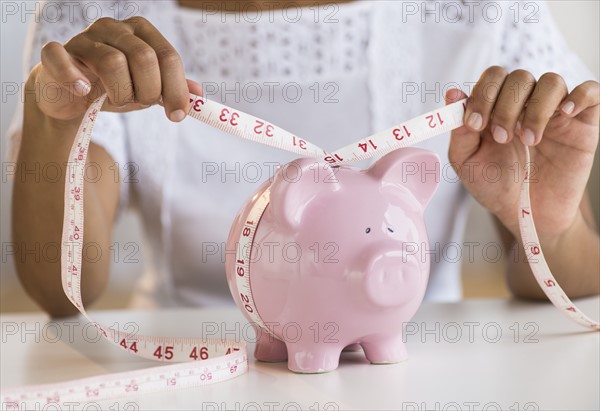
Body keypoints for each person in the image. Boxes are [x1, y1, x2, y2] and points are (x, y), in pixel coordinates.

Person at [8, 0, 599, 317]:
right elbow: (65, 293)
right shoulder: (95, 19)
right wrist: (51, 119)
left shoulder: (487, 8)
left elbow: (572, 284)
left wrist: (548, 226)